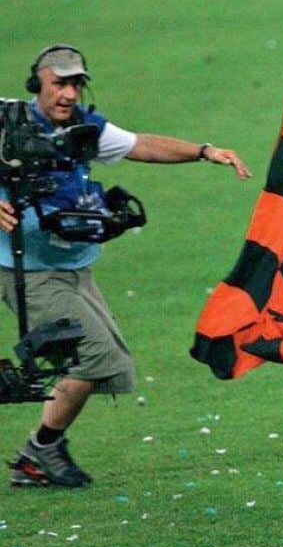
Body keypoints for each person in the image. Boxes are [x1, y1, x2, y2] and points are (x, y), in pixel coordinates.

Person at [0, 44, 252, 488]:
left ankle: (40, 452)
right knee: (96, 355)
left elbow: (142, 145)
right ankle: (40, 451)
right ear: (37, 83)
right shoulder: (7, 124)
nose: (68, 94)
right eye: (59, 83)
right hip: (26, 271)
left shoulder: (83, 128)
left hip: (74, 265)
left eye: (76, 84)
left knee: (108, 364)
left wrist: (203, 151)